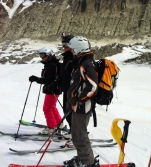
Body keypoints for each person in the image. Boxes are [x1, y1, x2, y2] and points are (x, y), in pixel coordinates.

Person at [63, 36, 98, 167]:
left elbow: (93, 86)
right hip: (78, 105)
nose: (71, 51)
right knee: (77, 133)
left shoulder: (86, 63)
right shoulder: (83, 61)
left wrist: (79, 99)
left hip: (82, 106)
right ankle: (82, 158)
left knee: (79, 135)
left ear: (78, 49)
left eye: (72, 49)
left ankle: (87, 163)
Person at [29, 47, 63, 134]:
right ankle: (59, 124)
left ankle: (51, 127)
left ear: (49, 55)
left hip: (52, 89)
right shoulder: (51, 63)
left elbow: (49, 79)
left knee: (47, 108)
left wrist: (36, 79)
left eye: (43, 55)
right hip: (54, 88)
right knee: (52, 107)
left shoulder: (51, 64)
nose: (42, 57)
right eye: (40, 55)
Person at [57, 34, 75, 131]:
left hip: (73, 90)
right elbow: (65, 72)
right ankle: (73, 132)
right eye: (63, 45)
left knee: (71, 113)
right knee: (66, 111)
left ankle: (77, 135)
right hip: (66, 89)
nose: (64, 47)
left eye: (66, 45)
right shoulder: (67, 58)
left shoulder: (75, 57)